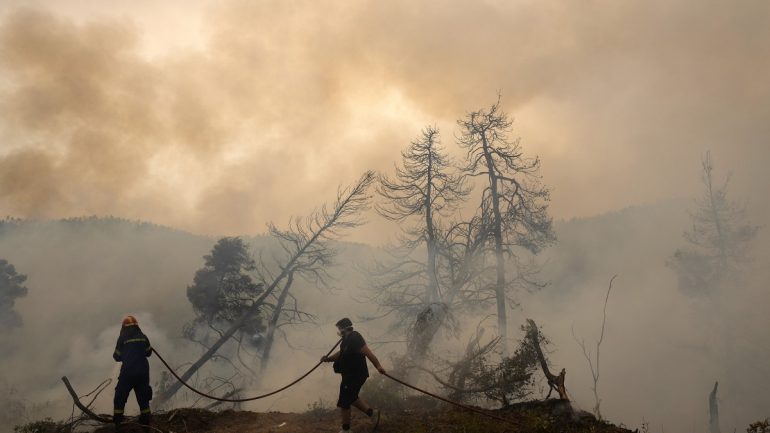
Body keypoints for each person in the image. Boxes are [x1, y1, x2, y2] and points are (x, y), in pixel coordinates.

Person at [321, 318, 386, 433]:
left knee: (344, 401)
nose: (338, 331)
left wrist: (378, 366)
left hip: (356, 375)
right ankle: (373, 413)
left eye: (339, 329)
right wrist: (328, 359)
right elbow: (341, 353)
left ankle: (346, 430)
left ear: (344, 328)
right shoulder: (346, 340)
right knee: (352, 397)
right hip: (348, 375)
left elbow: (368, 352)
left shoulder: (355, 338)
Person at [112, 315, 153, 432]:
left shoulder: (122, 338)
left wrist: (127, 354)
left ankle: (118, 424)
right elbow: (149, 353)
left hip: (128, 373)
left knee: (120, 396)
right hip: (143, 373)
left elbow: (116, 356)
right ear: (136, 326)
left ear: (124, 327)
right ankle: (146, 425)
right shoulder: (143, 337)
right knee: (143, 399)